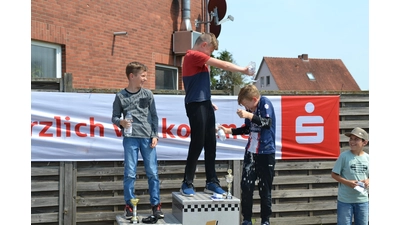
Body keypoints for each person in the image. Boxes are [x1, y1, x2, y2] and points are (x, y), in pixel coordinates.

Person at [180, 32, 255, 197]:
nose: (210, 56)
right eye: (210, 52)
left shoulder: (200, 60)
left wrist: (207, 101)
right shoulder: (193, 55)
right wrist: (243, 70)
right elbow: (225, 66)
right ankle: (187, 182)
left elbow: (196, 84)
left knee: (211, 143)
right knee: (198, 142)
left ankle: (211, 182)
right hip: (195, 104)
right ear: (204, 45)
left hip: (204, 103)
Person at [111, 62, 163, 222]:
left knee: (153, 173)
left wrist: (155, 135)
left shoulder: (148, 95)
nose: (145, 79)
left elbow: (154, 116)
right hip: (130, 139)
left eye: (146, 76)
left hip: (147, 138)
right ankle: (129, 206)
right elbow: (114, 117)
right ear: (132, 76)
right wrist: (121, 122)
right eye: (143, 76)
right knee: (130, 173)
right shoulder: (120, 96)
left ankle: (156, 206)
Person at [219, 84, 276, 225]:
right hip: (251, 152)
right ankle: (246, 220)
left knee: (265, 188)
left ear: (254, 99)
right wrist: (229, 131)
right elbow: (247, 129)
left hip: (265, 152)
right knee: (246, 186)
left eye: (247, 105)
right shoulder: (249, 111)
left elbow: (267, 123)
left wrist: (250, 115)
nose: (246, 109)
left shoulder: (265, 103)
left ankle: (265, 221)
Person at [331, 127, 369, 225]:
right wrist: (348, 182)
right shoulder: (344, 156)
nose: (352, 142)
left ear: (364, 142)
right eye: (351, 139)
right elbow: (334, 174)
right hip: (345, 201)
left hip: (362, 200)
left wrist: (368, 180)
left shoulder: (368, 158)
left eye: (356, 139)